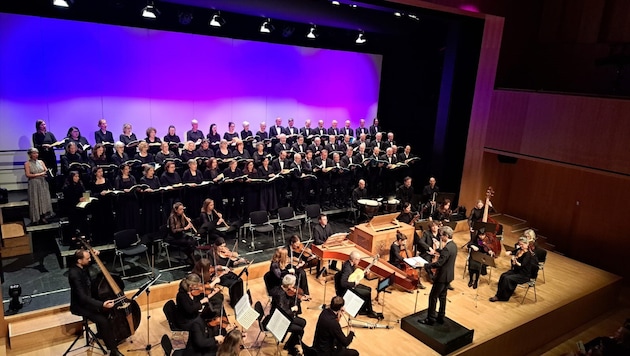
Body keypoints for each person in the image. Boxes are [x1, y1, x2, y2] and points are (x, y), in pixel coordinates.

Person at [69, 249, 123, 356]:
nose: (89, 260)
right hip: (81, 305)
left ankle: (105, 335)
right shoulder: (74, 274)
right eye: (87, 258)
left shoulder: (82, 266)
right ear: (79, 261)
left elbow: (90, 262)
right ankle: (113, 350)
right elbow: (82, 297)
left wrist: (94, 255)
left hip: (90, 299)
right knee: (103, 320)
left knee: (109, 312)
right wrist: (101, 304)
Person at [420, 225, 456, 325]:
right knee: (443, 297)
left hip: (441, 277)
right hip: (449, 276)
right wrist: (438, 250)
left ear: (446, 236)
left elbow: (439, 263)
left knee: (433, 297)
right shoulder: (453, 245)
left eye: (441, 236)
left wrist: (426, 265)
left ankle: (430, 319)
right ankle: (441, 317)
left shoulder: (447, 249)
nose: (440, 237)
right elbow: (445, 255)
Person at [268, 274, 308, 356]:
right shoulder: (280, 295)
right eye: (293, 284)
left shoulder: (281, 289)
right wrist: (292, 309)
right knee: (300, 329)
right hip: (279, 320)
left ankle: (290, 345)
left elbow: (289, 302)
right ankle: (291, 347)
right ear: (289, 285)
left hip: (283, 316)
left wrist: (299, 299)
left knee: (303, 322)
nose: (294, 286)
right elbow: (283, 311)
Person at [489, 237, 539, 302]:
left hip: (524, 275)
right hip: (516, 271)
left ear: (527, 244)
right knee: (503, 276)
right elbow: (514, 252)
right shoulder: (520, 249)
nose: (521, 246)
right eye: (520, 244)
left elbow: (522, 265)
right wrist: (510, 253)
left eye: (522, 244)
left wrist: (515, 261)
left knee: (508, 279)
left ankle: (504, 297)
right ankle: (498, 295)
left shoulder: (528, 255)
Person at [339, 251, 379, 319]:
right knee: (367, 292)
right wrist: (354, 283)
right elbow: (343, 283)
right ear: (354, 260)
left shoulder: (350, 264)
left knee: (369, 289)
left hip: (351, 285)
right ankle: (370, 312)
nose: (359, 261)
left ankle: (364, 309)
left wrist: (364, 273)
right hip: (347, 289)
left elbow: (354, 275)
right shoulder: (347, 269)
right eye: (358, 259)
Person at [24, 148, 53, 224]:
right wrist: (40, 174)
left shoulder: (41, 162)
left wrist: (48, 173)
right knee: (35, 200)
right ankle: (36, 218)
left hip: (42, 182)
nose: (36, 155)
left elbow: (45, 170)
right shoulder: (27, 163)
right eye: (34, 153)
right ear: (30, 154)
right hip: (34, 183)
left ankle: (44, 216)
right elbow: (28, 175)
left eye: (37, 153)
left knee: (44, 199)